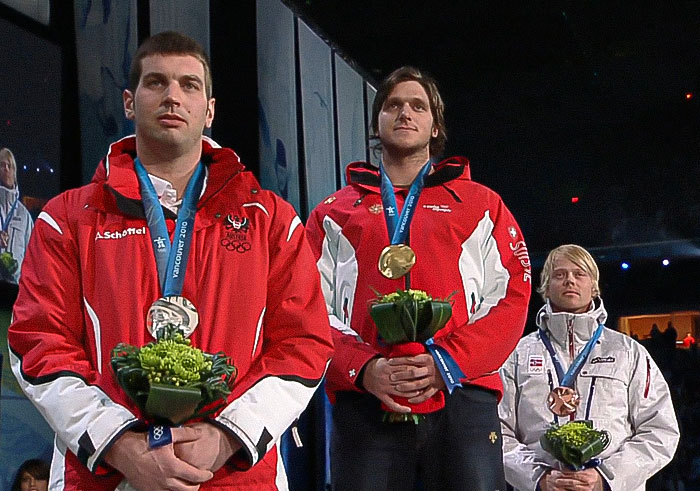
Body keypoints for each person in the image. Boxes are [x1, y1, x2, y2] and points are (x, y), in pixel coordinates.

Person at [8, 31, 333, 490]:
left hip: (233, 475)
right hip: (104, 475)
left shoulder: (271, 222)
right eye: (156, 82)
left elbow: (304, 345)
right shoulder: (67, 219)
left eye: (189, 85)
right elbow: (38, 342)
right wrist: (120, 444)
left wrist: (226, 437)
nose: (173, 96)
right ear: (128, 101)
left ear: (210, 109)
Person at [306, 66, 531, 490]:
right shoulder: (333, 212)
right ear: (377, 122)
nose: (404, 113)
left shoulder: (481, 204)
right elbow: (309, 307)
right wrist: (363, 367)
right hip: (366, 400)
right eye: (393, 105)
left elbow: (511, 298)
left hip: (462, 396)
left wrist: (448, 361)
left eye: (417, 106)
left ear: (434, 125)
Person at [499, 244, 679, 491]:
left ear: (593, 286)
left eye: (579, 274)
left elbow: (660, 430)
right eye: (559, 275)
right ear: (545, 287)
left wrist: (606, 478)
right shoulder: (517, 354)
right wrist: (538, 478)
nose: (569, 281)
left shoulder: (627, 352)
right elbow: (497, 432)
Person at [0, 147, 34, 284]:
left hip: (16, 288)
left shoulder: (24, 215)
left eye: (10, 166)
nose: (6, 169)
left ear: (15, 172)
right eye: (2, 165)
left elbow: (33, 256)